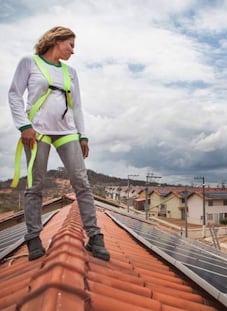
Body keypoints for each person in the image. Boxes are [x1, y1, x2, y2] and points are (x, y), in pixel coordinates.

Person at [8, 26, 110, 261]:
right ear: (56, 40)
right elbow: (14, 94)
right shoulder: (29, 62)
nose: (73, 51)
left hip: (67, 131)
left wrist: (82, 135)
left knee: (81, 181)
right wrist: (24, 126)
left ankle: (95, 236)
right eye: (71, 45)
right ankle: (33, 237)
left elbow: (77, 106)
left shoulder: (70, 72)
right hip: (36, 131)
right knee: (36, 184)